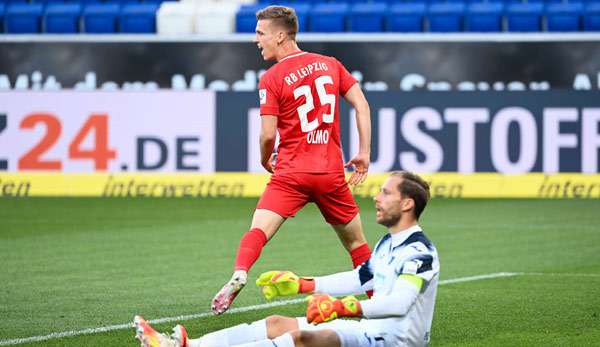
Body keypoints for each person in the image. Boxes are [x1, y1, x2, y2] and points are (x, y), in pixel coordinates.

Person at [134, 171, 440, 347]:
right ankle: (187, 345)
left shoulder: (419, 252)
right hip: (373, 331)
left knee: (302, 339)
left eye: (386, 193)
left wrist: (344, 306)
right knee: (276, 322)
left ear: (407, 203)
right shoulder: (390, 243)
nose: (377, 197)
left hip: (395, 342)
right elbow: (361, 278)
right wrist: (303, 285)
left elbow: (401, 303)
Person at [211, 5, 373, 315]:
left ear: (281, 35)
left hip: (291, 172)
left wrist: (263, 159)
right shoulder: (330, 65)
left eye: (261, 33)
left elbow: (267, 136)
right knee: (357, 247)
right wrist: (364, 152)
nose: (256, 40)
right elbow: (361, 104)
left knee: (258, 231)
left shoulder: (272, 78)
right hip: (329, 172)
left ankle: (240, 271)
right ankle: (379, 304)